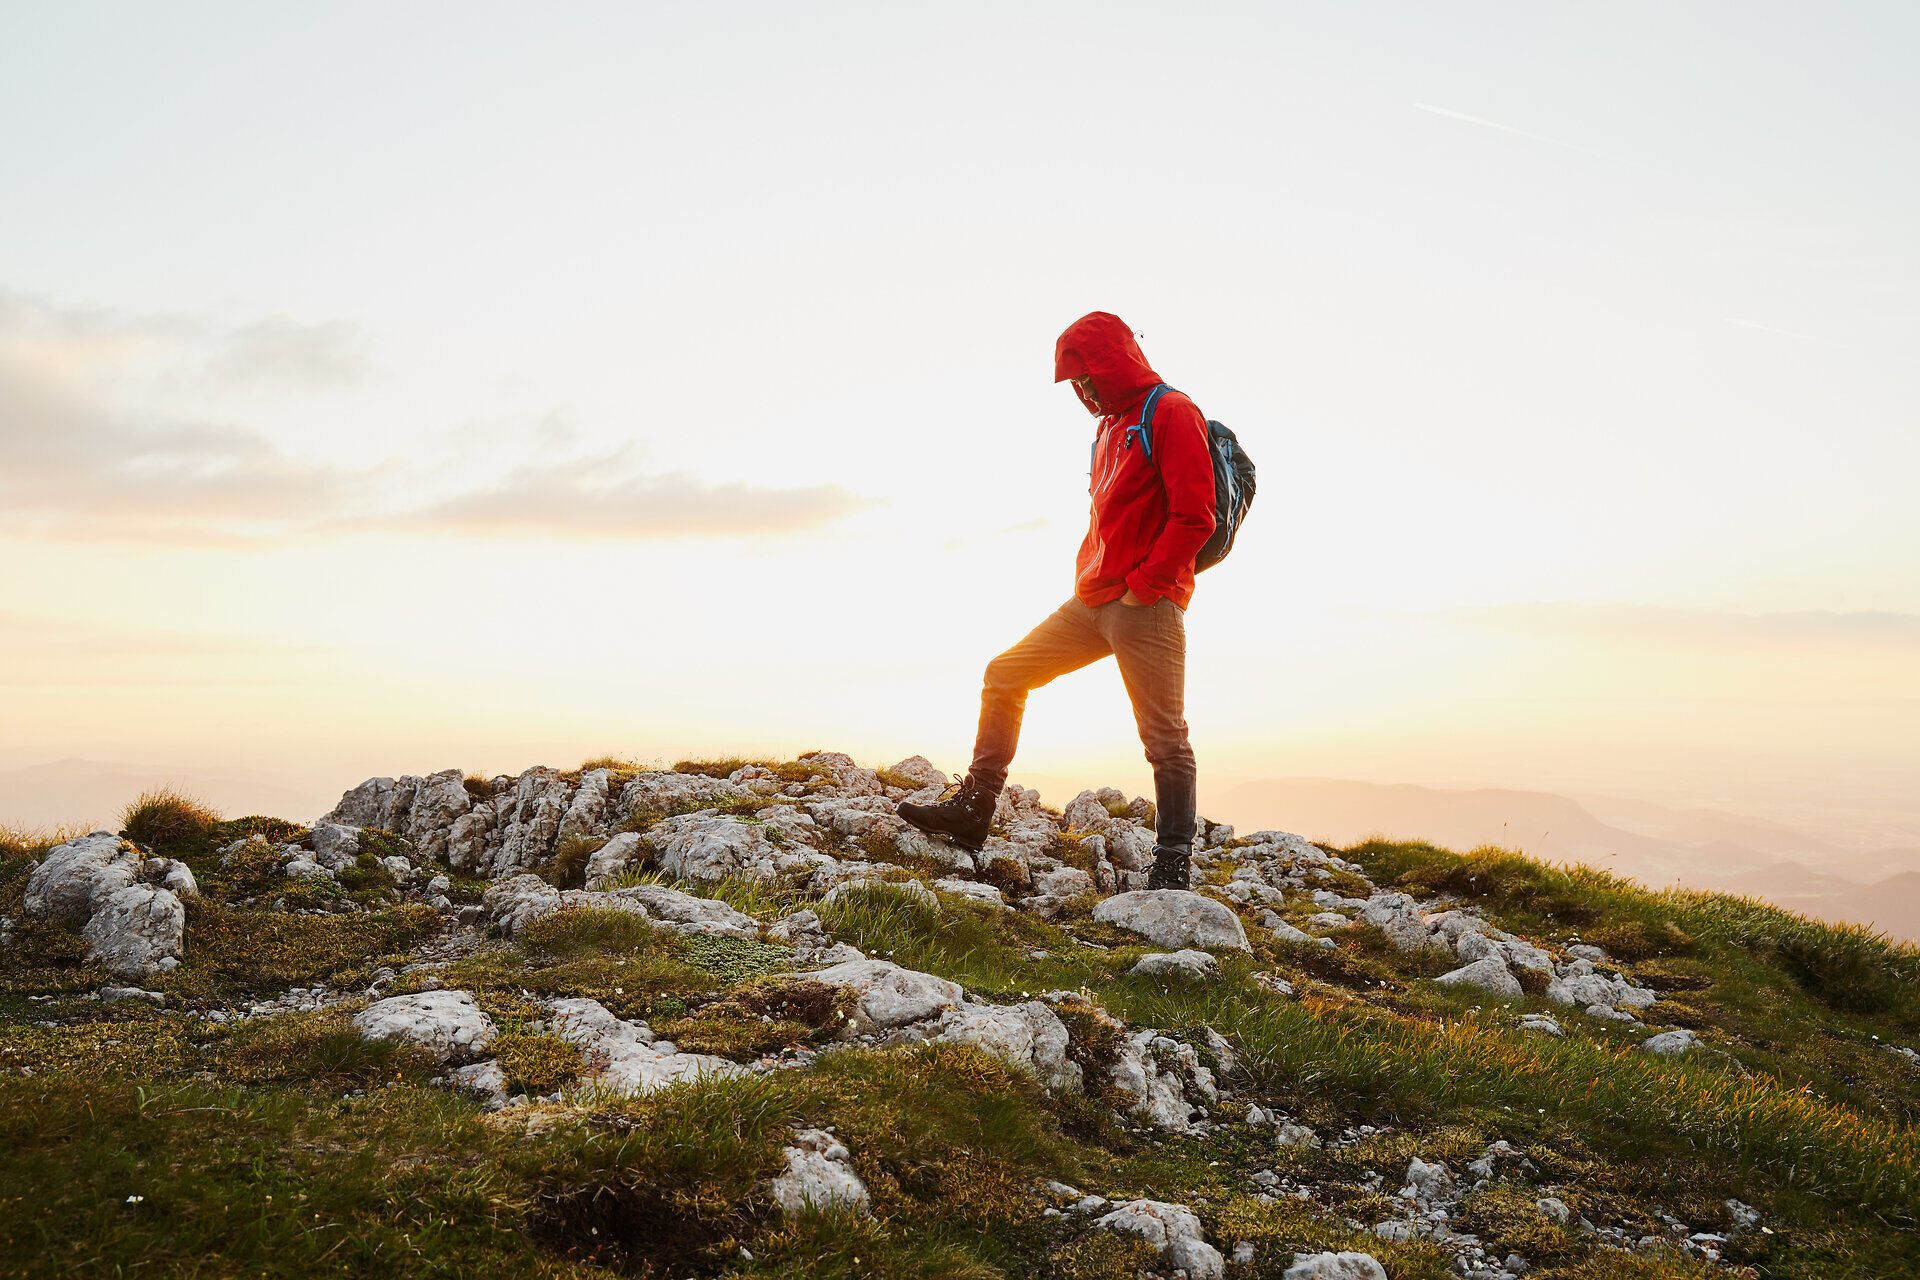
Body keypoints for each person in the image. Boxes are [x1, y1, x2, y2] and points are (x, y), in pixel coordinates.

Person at [898, 311, 1216, 890]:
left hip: (1146, 605)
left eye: (1088, 379)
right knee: (1004, 674)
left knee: (1164, 739)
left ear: (1114, 364)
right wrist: (1094, 579)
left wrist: (1144, 586)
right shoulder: (1109, 428)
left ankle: (1172, 863)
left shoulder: (1172, 412)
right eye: (1076, 384)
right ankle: (974, 810)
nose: (1083, 393)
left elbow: (1196, 516)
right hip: (1090, 601)